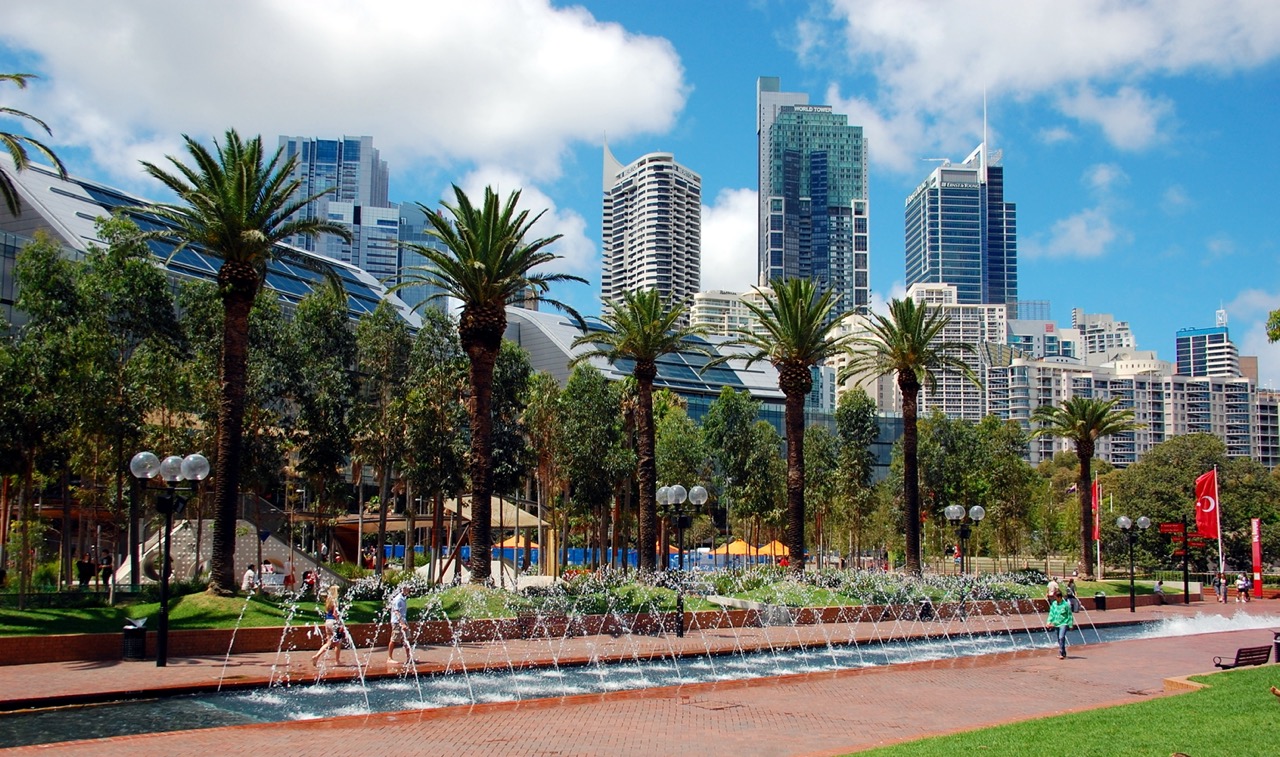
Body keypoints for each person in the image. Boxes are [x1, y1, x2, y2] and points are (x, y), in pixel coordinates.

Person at [311, 584, 345, 667]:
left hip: (327, 621)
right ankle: (337, 661)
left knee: (329, 642)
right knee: (338, 643)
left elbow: (328, 613)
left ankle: (316, 656)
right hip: (334, 622)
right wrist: (340, 623)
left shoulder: (328, 601)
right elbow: (335, 614)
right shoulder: (335, 601)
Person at [1047, 588, 1074, 660]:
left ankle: (1061, 653)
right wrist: (1049, 622)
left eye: (1055, 597)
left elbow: (1069, 615)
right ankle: (1063, 652)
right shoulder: (1054, 604)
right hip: (1056, 623)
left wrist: (1070, 625)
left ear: (1059, 597)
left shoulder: (1066, 605)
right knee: (1059, 639)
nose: (1054, 599)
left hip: (1064, 623)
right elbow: (1051, 614)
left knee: (1061, 637)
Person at [386, 583, 411, 664]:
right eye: (407, 589)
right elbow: (396, 612)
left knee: (406, 639)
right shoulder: (398, 599)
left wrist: (404, 622)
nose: (409, 591)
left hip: (403, 621)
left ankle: (409, 658)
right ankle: (389, 658)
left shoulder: (403, 598)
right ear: (403, 590)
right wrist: (402, 623)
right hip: (397, 622)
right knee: (394, 639)